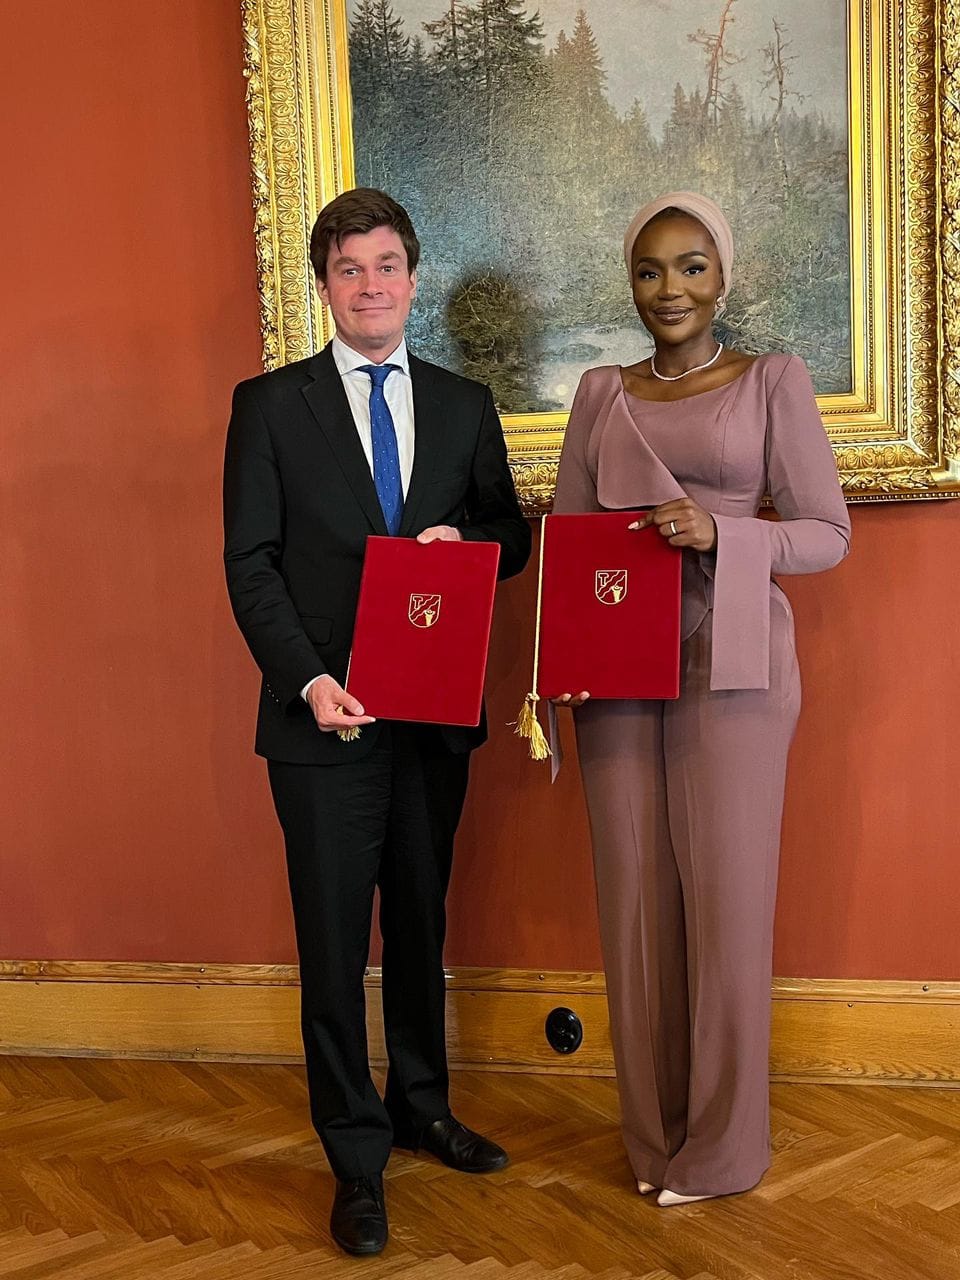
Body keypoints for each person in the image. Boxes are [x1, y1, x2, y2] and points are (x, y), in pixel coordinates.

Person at [223, 187, 531, 1255]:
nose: (370, 285)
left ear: (413, 277)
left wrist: (467, 544)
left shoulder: (463, 402)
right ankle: (356, 1157)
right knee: (332, 939)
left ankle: (421, 1107)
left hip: (431, 717)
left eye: (386, 265)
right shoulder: (270, 406)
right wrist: (309, 680)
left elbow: (510, 531)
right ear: (323, 287)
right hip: (324, 720)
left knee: (420, 921)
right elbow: (249, 563)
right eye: (349, 269)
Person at [551, 192, 850, 1206]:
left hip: (736, 662)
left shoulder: (772, 380)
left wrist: (727, 533)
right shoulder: (600, 392)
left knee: (727, 904)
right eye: (649, 270)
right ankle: (654, 1144)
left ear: (722, 276)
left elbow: (827, 534)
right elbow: (572, 542)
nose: (669, 288)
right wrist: (563, 662)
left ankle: (722, 1152)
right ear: (630, 283)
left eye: (690, 267)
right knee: (633, 904)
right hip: (617, 666)